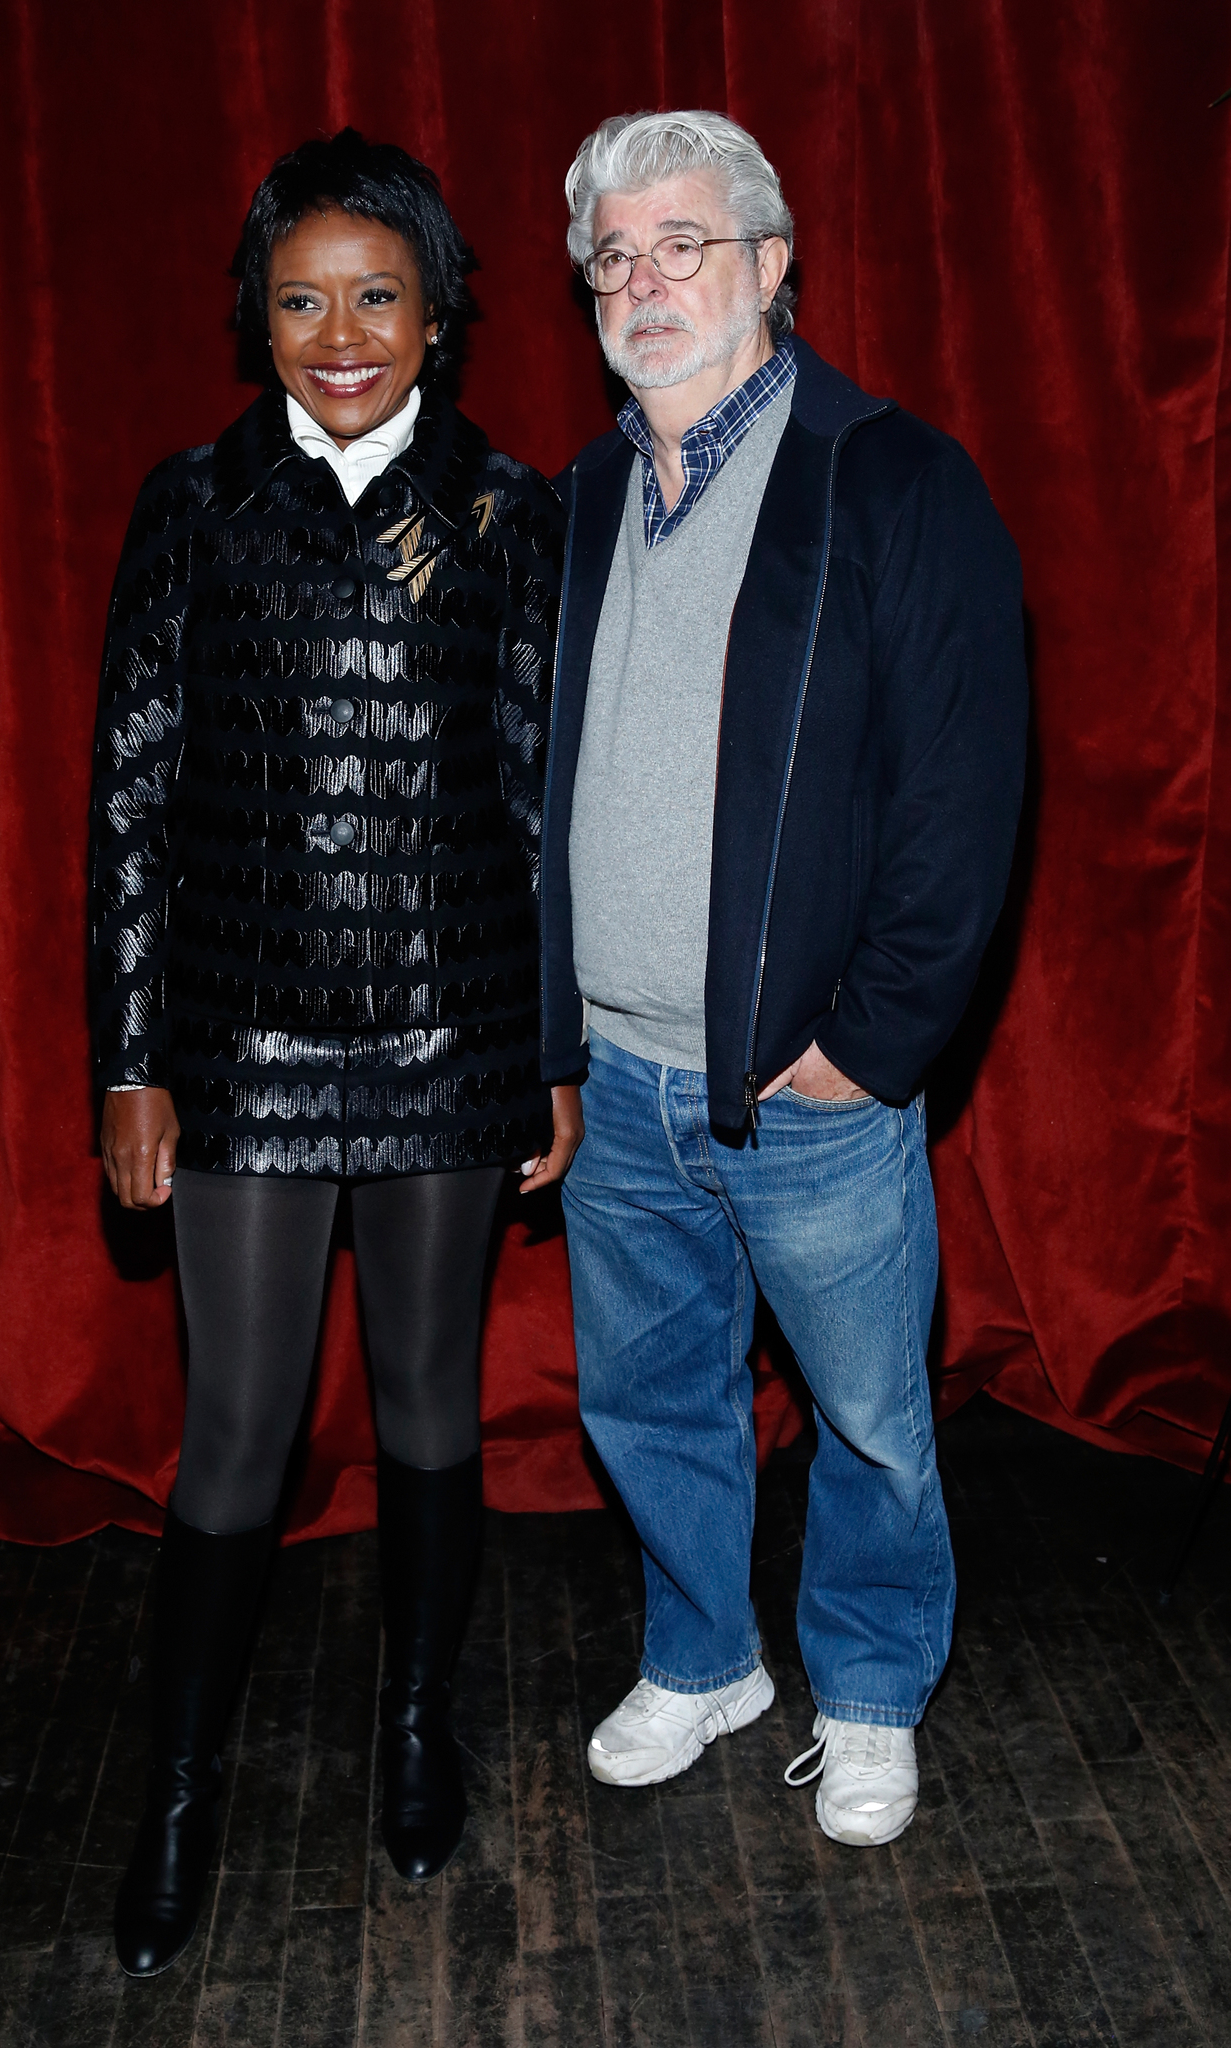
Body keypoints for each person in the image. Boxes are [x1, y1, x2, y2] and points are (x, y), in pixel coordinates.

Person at [89, 129, 579, 1978]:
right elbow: (130, 795)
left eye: (378, 295)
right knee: (236, 1434)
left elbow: (536, 803)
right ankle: (179, 1794)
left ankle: (410, 1732)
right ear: (258, 321)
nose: (341, 331)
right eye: (301, 299)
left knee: (432, 1409)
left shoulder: (512, 514)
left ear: (439, 315)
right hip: (240, 1035)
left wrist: (542, 1046)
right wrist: (131, 1057)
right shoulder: (190, 510)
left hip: (451, 1029)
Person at [541, 111, 1026, 1845]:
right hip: (616, 1083)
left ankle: (875, 1692)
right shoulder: (584, 494)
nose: (644, 281)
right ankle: (702, 1660)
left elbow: (963, 792)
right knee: (648, 1402)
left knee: (871, 1419)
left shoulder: (892, 476)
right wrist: (553, 1038)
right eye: (613, 252)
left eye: (683, 245)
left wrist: (868, 1045)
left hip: (804, 1089)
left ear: (768, 264)